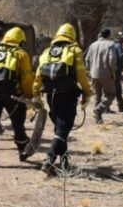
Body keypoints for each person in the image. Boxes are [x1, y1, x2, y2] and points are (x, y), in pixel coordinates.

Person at [33, 24, 92, 176]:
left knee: (60, 129)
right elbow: (82, 76)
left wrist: (37, 96)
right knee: (63, 129)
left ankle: (64, 163)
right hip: (67, 95)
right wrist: (87, 93)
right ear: (72, 37)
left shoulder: (47, 52)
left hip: (50, 96)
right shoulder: (74, 51)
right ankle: (49, 160)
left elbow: (38, 77)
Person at [0, 27, 33, 168]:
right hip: (13, 95)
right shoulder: (21, 54)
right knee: (17, 125)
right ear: (20, 41)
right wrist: (29, 96)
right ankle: (22, 153)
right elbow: (27, 78)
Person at [84, 28, 118, 123]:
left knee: (98, 95)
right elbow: (112, 60)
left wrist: (89, 70)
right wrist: (113, 72)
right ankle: (99, 109)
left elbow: (87, 59)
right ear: (108, 35)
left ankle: (97, 117)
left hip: (94, 74)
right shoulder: (110, 45)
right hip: (106, 74)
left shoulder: (93, 45)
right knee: (110, 94)